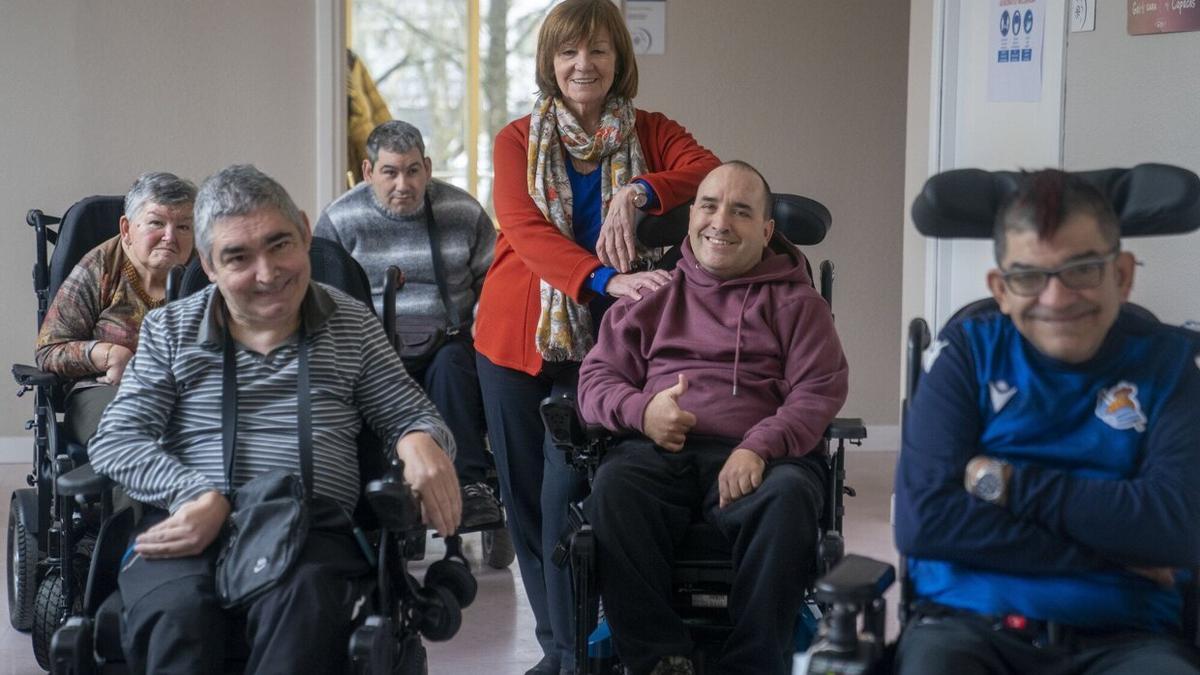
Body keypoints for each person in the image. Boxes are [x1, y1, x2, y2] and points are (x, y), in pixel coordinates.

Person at [89, 164, 461, 674]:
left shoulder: (352, 323)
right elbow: (116, 439)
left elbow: (409, 410)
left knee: (305, 608)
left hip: (312, 530)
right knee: (178, 616)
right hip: (188, 523)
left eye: (280, 244)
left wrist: (419, 437)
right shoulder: (169, 329)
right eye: (238, 257)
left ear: (306, 232)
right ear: (209, 264)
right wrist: (195, 495)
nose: (267, 273)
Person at [473, 1, 720, 672]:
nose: (584, 65)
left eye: (599, 51)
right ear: (550, 64)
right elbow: (525, 231)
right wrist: (604, 279)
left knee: (565, 493)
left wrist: (637, 191)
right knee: (524, 500)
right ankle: (562, 651)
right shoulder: (517, 137)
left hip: (608, 346)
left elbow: (709, 174)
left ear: (620, 59)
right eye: (568, 53)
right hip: (519, 335)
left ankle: (581, 645)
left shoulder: (651, 130)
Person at [894, 169, 1200, 675]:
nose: (1056, 299)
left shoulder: (1170, 367)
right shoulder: (967, 355)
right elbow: (925, 521)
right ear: (1002, 288)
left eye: (1082, 269)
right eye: (1028, 276)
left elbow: (1177, 529)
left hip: (1130, 638)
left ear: (1121, 274)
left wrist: (1009, 485)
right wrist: (1116, 554)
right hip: (966, 625)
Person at [575, 161, 849, 675]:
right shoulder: (650, 297)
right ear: (691, 217)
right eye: (708, 205)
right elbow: (595, 382)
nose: (720, 221)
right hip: (660, 452)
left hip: (766, 460)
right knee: (614, 487)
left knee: (789, 499)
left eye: (741, 211)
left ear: (767, 232)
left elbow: (819, 389)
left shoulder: (798, 303)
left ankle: (749, 666)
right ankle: (661, 660)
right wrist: (644, 411)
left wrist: (759, 445)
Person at [316, 120, 502, 529]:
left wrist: (478, 321)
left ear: (428, 168)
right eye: (390, 172)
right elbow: (322, 296)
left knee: (454, 367)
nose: (404, 183)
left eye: (413, 170)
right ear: (368, 172)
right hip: (371, 350)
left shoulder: (463, 211)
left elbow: (495, 279)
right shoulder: (339, 220)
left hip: (448, 341)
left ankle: (471, 487)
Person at [35, 171, 197, 445]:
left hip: (187, 393)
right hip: (105, 390)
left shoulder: (205, 270)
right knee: (137, 436)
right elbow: (49, 350)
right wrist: (108, 354)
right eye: (156, 223)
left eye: (184, 226)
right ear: (126, 229)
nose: (170, 237)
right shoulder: (100, 267)